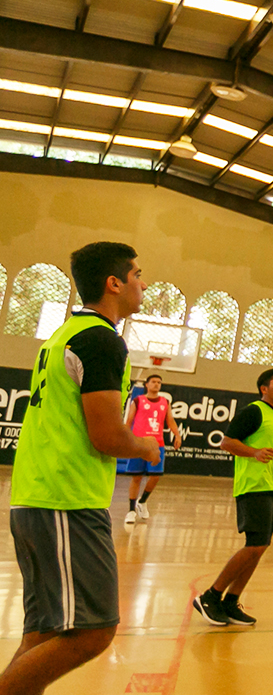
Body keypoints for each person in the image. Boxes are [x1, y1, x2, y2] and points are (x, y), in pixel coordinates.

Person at [2, 242, 161, 695]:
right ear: (114, 283)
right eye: (138, 274)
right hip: (65, 502)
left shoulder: (63, 336)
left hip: (37, 498)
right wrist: (147, 447)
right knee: (93, 631)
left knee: (45, 634)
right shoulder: (101, 340)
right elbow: (108, 435)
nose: (143, 283)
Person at [193, 368, 273, 626]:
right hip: (253, 486)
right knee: (255, 545)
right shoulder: (254, 411)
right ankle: (210, 596)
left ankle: (230, 602)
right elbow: (226, 442)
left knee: (261, 546)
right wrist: (253, 452)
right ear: (264, 389)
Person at [122, 374, 182, 524]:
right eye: (153, 382)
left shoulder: (164, 402)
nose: (156, 384)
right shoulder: (138, 401)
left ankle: (142, 501)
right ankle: (130, 510)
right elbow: (129, 421)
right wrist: (125, 439)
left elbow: (171, 421)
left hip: (157, 444)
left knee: (155, 476)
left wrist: (177, 435)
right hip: (139, 443)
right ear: (147, 385)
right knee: (136, 477)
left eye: (159, 382)